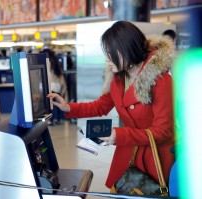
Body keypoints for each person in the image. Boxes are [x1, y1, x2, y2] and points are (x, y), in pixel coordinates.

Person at [47, 21, 175, 190]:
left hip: (154, 156)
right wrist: (68, 107)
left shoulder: (161, 80)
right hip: (130, 153)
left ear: (127, 50)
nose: (107, 59)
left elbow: (163, 132)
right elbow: (100, 106)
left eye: (110, 53)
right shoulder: (118, 78)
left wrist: (119, 135)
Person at [43, 48, 67, 125]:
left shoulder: (48, 61)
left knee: (51, 103)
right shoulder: (56, 60)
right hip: (57, 85)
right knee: (57, 103)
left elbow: (48, 74)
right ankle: (57, 119)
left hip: (51, 85)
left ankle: (51, 119)